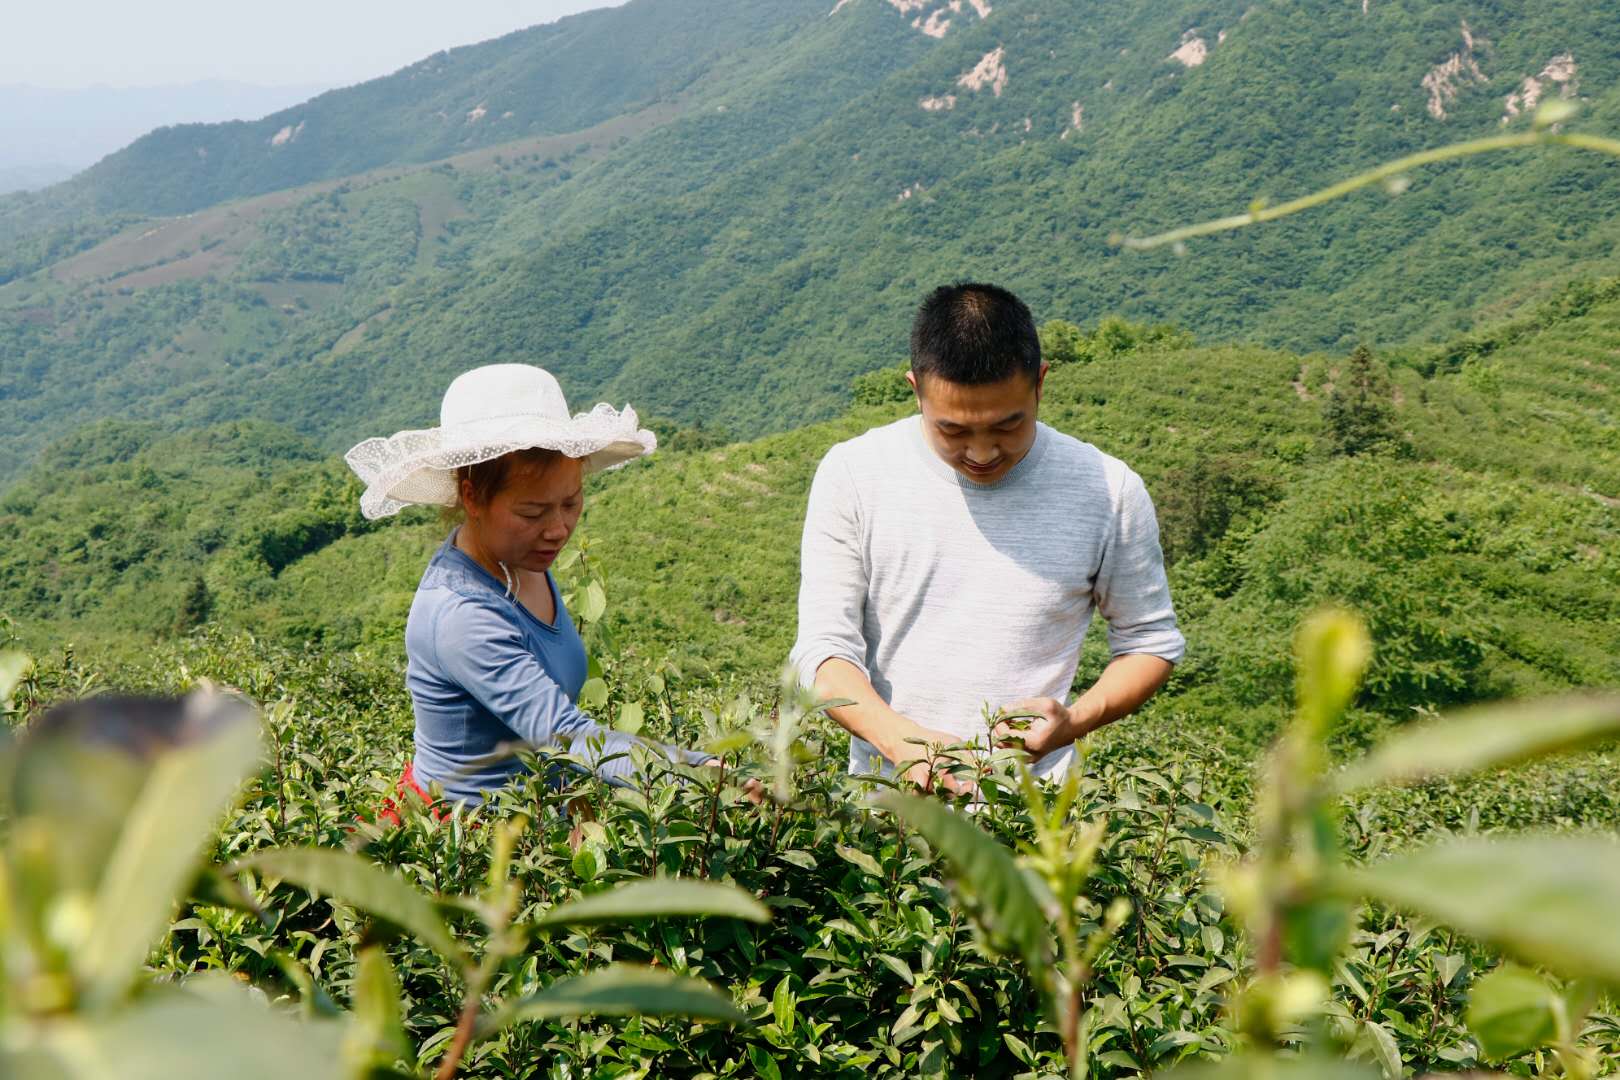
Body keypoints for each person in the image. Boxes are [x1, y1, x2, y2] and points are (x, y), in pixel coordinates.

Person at [788, 283, 1185, 793]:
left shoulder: (1108, 490)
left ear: (1040, 383)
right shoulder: (854, 473)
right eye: (952, 430)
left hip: (1033, 816)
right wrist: (902, 744)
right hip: (882, 821)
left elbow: (1149, 642)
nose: (980, 452)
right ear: (915, 389)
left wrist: (1075, 720)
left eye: (1007, 426)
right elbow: (822, 651)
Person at [346, 363, 714, 805]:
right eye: (533, 513)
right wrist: (697, 770)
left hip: (538, 820)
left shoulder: (520, 556)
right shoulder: (462, 614)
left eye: (571, 503)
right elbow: (568, 738)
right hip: (469, 848)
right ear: (472, 497)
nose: (559, 529)